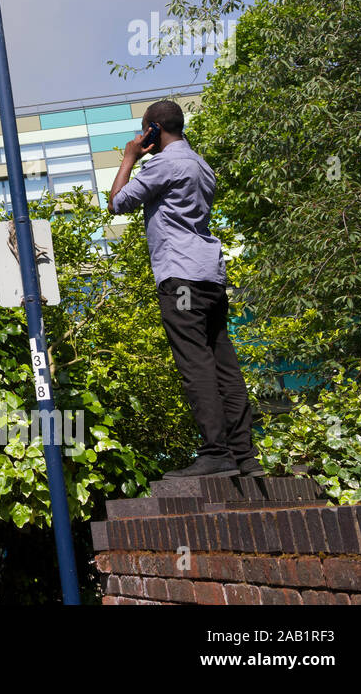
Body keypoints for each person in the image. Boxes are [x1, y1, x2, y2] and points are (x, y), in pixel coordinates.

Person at [107, 100, 261, 479]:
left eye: (145, 130)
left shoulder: (164, 164)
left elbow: (116, 203)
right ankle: (246, 456)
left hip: (181, 278)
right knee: (225, 364)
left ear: (153, 130)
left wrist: (129, 157)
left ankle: (215, 452)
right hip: (210, 275)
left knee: (196, 363)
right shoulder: (202, 165)